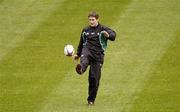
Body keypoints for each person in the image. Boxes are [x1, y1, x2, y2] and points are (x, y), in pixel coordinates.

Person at [73, 11, 116, 105]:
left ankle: (91, 100)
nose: (91, 22)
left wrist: (108, 36)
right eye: (90, 20)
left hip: (98, 55)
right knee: (84, 60)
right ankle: (81, 69)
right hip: (87, 51)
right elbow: (81, 43)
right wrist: (78, 54)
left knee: (94, 79)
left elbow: (113, 35)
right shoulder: (85, 30)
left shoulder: (103, 29)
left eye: (93, 20)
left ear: (97, 19)